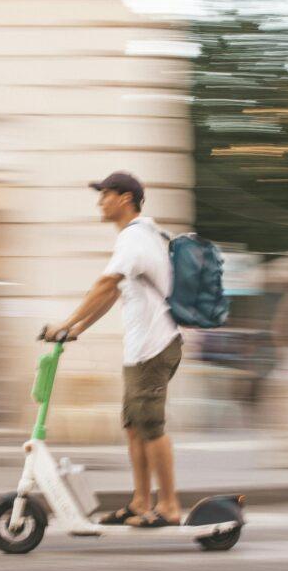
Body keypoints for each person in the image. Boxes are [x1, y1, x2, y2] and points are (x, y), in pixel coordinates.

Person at [43, 171, 183, 528]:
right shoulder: (139, 238)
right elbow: (115, 294)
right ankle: (140, 502)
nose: (99, 202)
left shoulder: (135, 238)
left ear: (125, 199)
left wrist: (64, 321)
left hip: (154, 346)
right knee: (135, 427)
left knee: (151, 426)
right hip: (141, 349)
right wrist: (76, 329)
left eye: (105, 194)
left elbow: (105, 284)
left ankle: (168, 506)